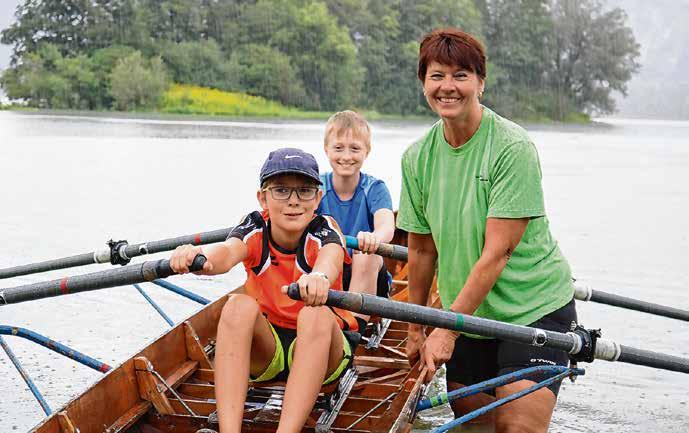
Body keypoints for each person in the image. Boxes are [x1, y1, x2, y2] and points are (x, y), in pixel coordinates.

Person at [397, 28, 577, 433]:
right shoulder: (416, 158)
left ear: (481, 81)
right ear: (423, 82)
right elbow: (422, 252)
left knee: (516, 428)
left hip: (533, 311)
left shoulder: (511, 147)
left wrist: (446, 329)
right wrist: (415, 327)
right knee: (475, 427)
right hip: (470, 313)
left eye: (461, 75)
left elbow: (498, 254)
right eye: (437, 75)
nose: (448, 87)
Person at [170, 147, 361, 433]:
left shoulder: (324, 230)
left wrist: (319, 277)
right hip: (267, 350)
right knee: (236, 305)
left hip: (324, 352)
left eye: (305, 191)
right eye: (281, 190)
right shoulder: (254, 226)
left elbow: (330, 258)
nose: (294, 201)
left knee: (315, 314)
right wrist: (199, 259)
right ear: (263, 198)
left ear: (318, 198)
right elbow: (226, 252)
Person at [317, 110, 395, 324]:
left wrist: (374, 238)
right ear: (326, 149)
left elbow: (387, 225)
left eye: (355, 149)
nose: (346, 156)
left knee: (364, 254)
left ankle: (352, 330)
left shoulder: (375, 188)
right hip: (326, 271)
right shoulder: (315, 189)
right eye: (338, 148)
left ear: (366, 151)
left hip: (367, 275)